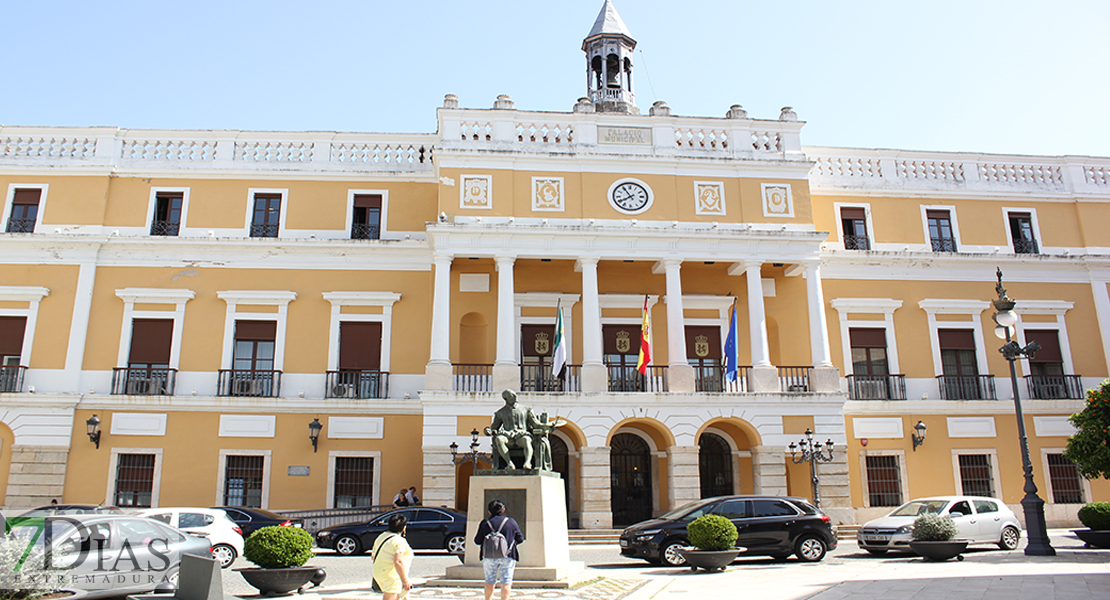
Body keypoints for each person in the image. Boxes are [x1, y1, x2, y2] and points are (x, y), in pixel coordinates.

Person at [484, 389, 550, 470]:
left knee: (526, 440)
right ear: (506, 399)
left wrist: (547, 426)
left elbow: (535, 424)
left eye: (515, 395)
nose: (515, 397)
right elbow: (494, 427)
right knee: (499, 439)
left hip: (521, 435)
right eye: (512, 396)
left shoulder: (526, 409)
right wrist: (488, 431)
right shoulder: (500, 413)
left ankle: (527, 463)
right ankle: (509, 463)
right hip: (508, 437)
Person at [474, 500, 523, 600]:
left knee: (489, 580)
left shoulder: (485, 523)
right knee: (506, 580)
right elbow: (520, 538)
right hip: (508, 555)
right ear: (503, 510)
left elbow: (477, 541)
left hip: (488, 556)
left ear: (489, 512)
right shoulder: (511, 522)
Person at [372, 513, 414, 600]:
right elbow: (398, 561)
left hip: (379, 571)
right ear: (403, 528)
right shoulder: (399, 541)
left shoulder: (381, 536)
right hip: (392, 575)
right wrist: (405, 580)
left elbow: (373, 555)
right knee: (390, 597)